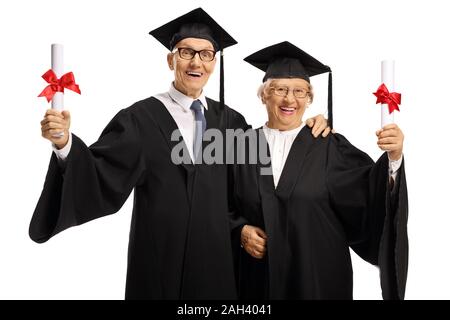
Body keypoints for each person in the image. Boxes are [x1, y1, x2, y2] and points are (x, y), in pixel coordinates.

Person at [31, 9, 329, 299]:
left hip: (218, 268)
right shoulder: (140, 118)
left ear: (214, 62)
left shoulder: (232, 122)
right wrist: (64, 143)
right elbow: (99, 172)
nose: (196, 62)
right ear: (171, 59)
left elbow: (248, 193)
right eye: (186, 52)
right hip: (160, 264)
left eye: (206, 54)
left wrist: (306, 129)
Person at [230, 41, 408, 300]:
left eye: (300, 91)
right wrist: (240, 230)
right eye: (280, 89)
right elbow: (215, 204)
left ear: (310, 99)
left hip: (318, 282)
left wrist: (393, 158)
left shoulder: (329, 145)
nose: (290, 99)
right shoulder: (240, 147)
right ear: (263, 95)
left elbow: (369, 192)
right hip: (257, 283)